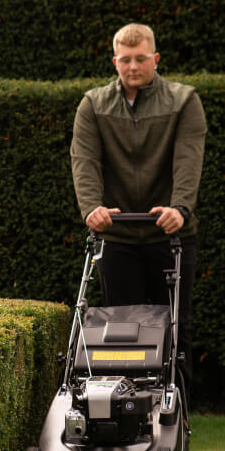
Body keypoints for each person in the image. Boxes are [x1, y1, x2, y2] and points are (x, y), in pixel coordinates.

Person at [70, 23, 207, 399]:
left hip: (170, 233)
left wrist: (180, 208)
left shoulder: (183, 101)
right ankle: (126, 407)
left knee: (176, 326)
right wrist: (91, 209)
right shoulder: (94, 105)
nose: (133, 66)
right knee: (122, 328)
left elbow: (188, 160)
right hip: (117, 236)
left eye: (141, 59)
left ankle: (178, 413)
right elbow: (84, 161)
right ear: (115, 61)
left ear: (155, 59)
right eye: (126, 60)